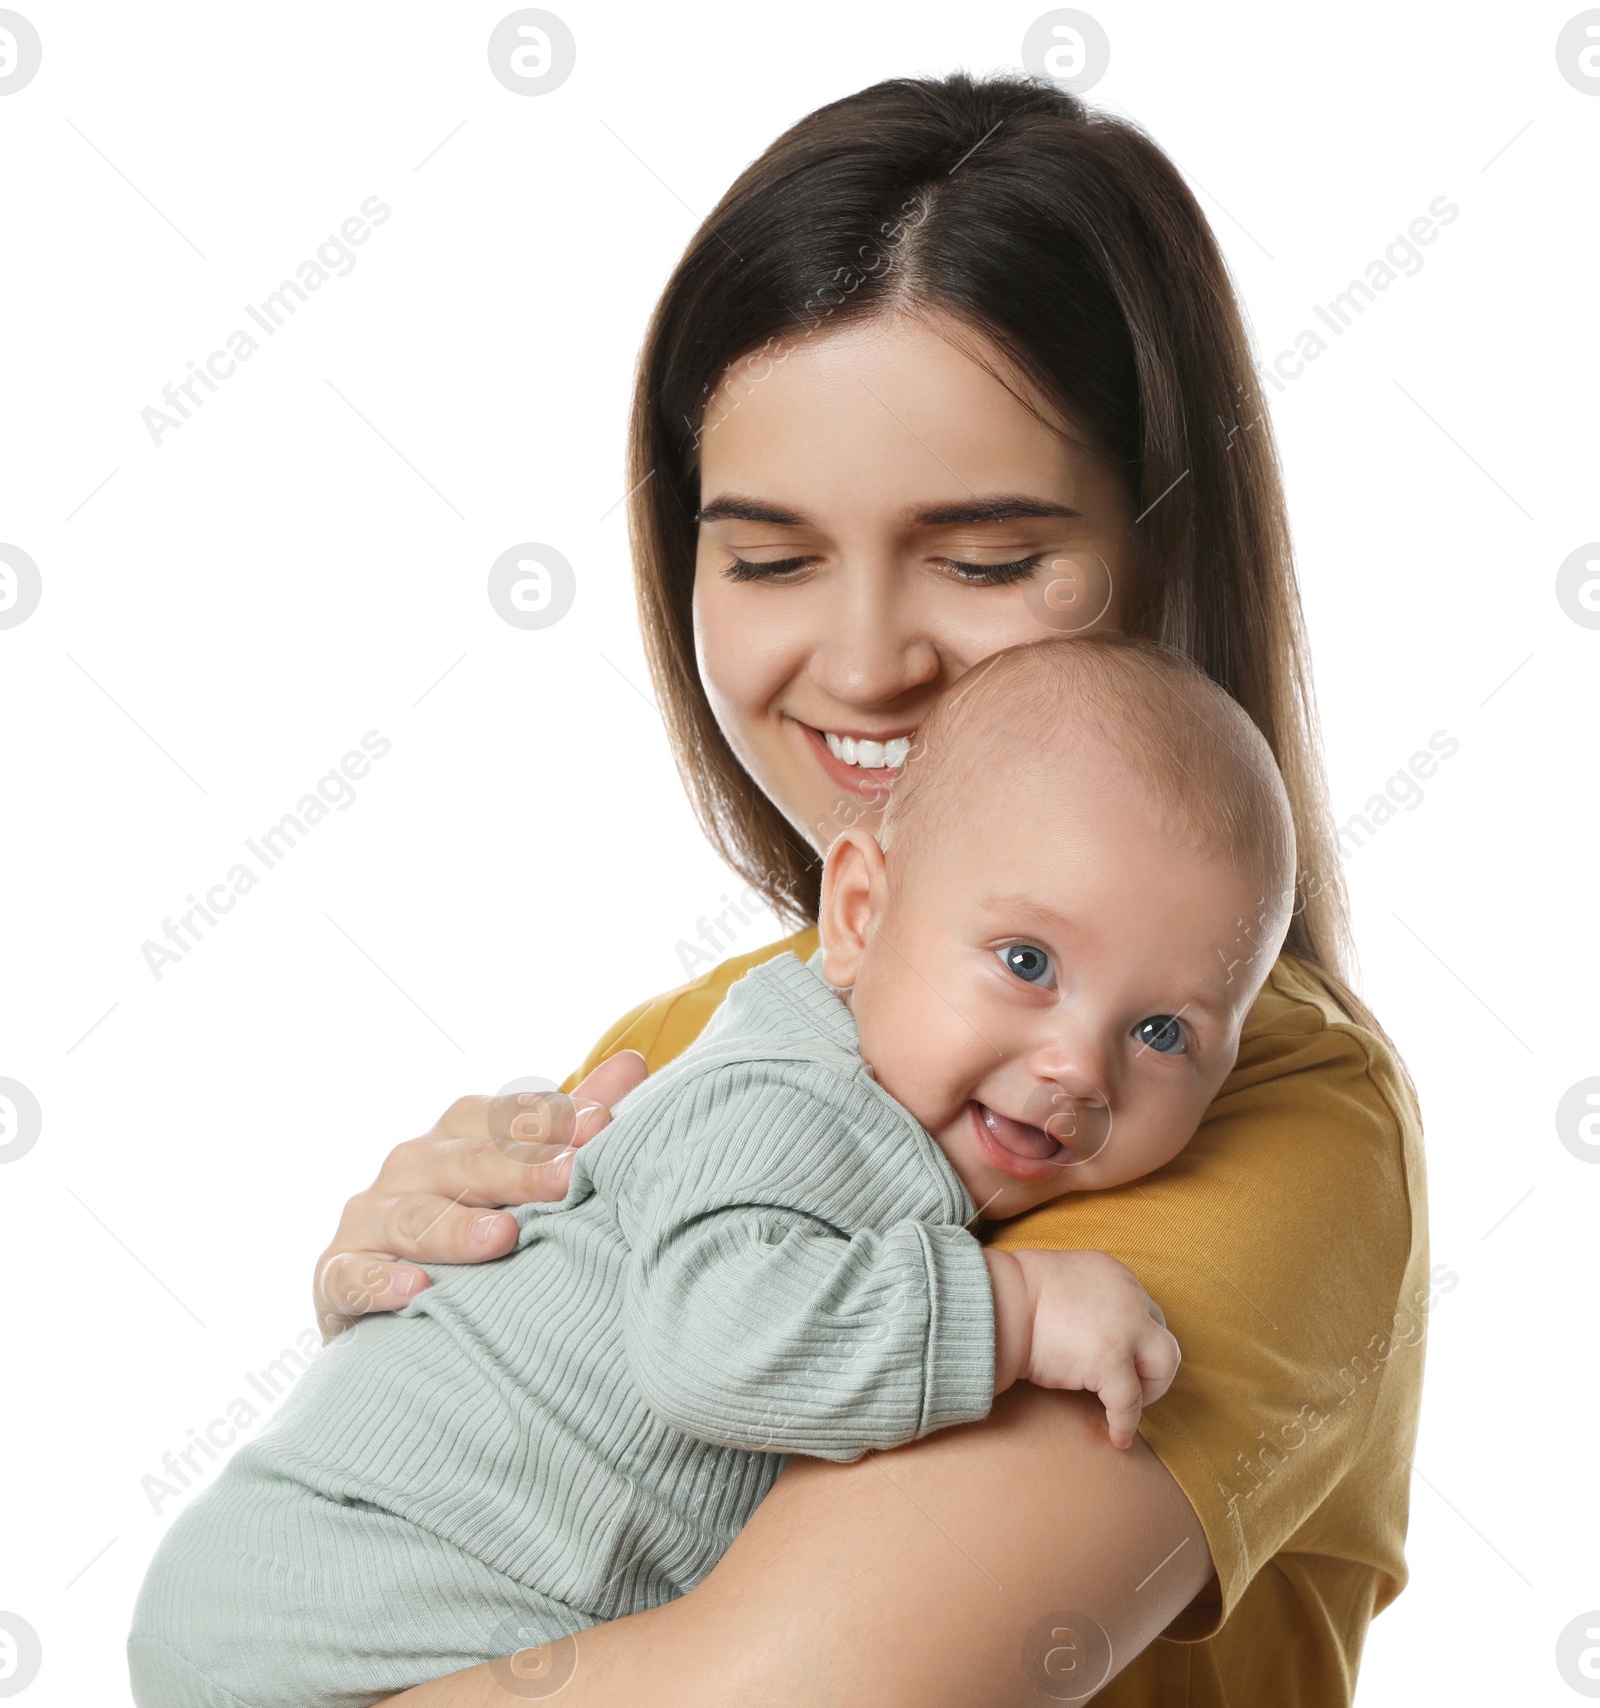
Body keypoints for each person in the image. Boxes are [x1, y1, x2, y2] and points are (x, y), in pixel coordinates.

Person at [311, 73, 1426, 1707]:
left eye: (983, 560)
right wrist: (416, 1347)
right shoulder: (686, 1037)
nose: (861, 663)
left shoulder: (1266, 1105)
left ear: (1168, 546)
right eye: (768, 557)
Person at [128, 635, 1299, 1708]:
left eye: (1162, 1034)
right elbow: (719, 1346)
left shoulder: (1259, 1126)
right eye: (1026, 960)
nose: (1075, 1065)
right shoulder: (792, 1097)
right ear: (856, 914)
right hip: (360, 1583)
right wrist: (1020, 1307)